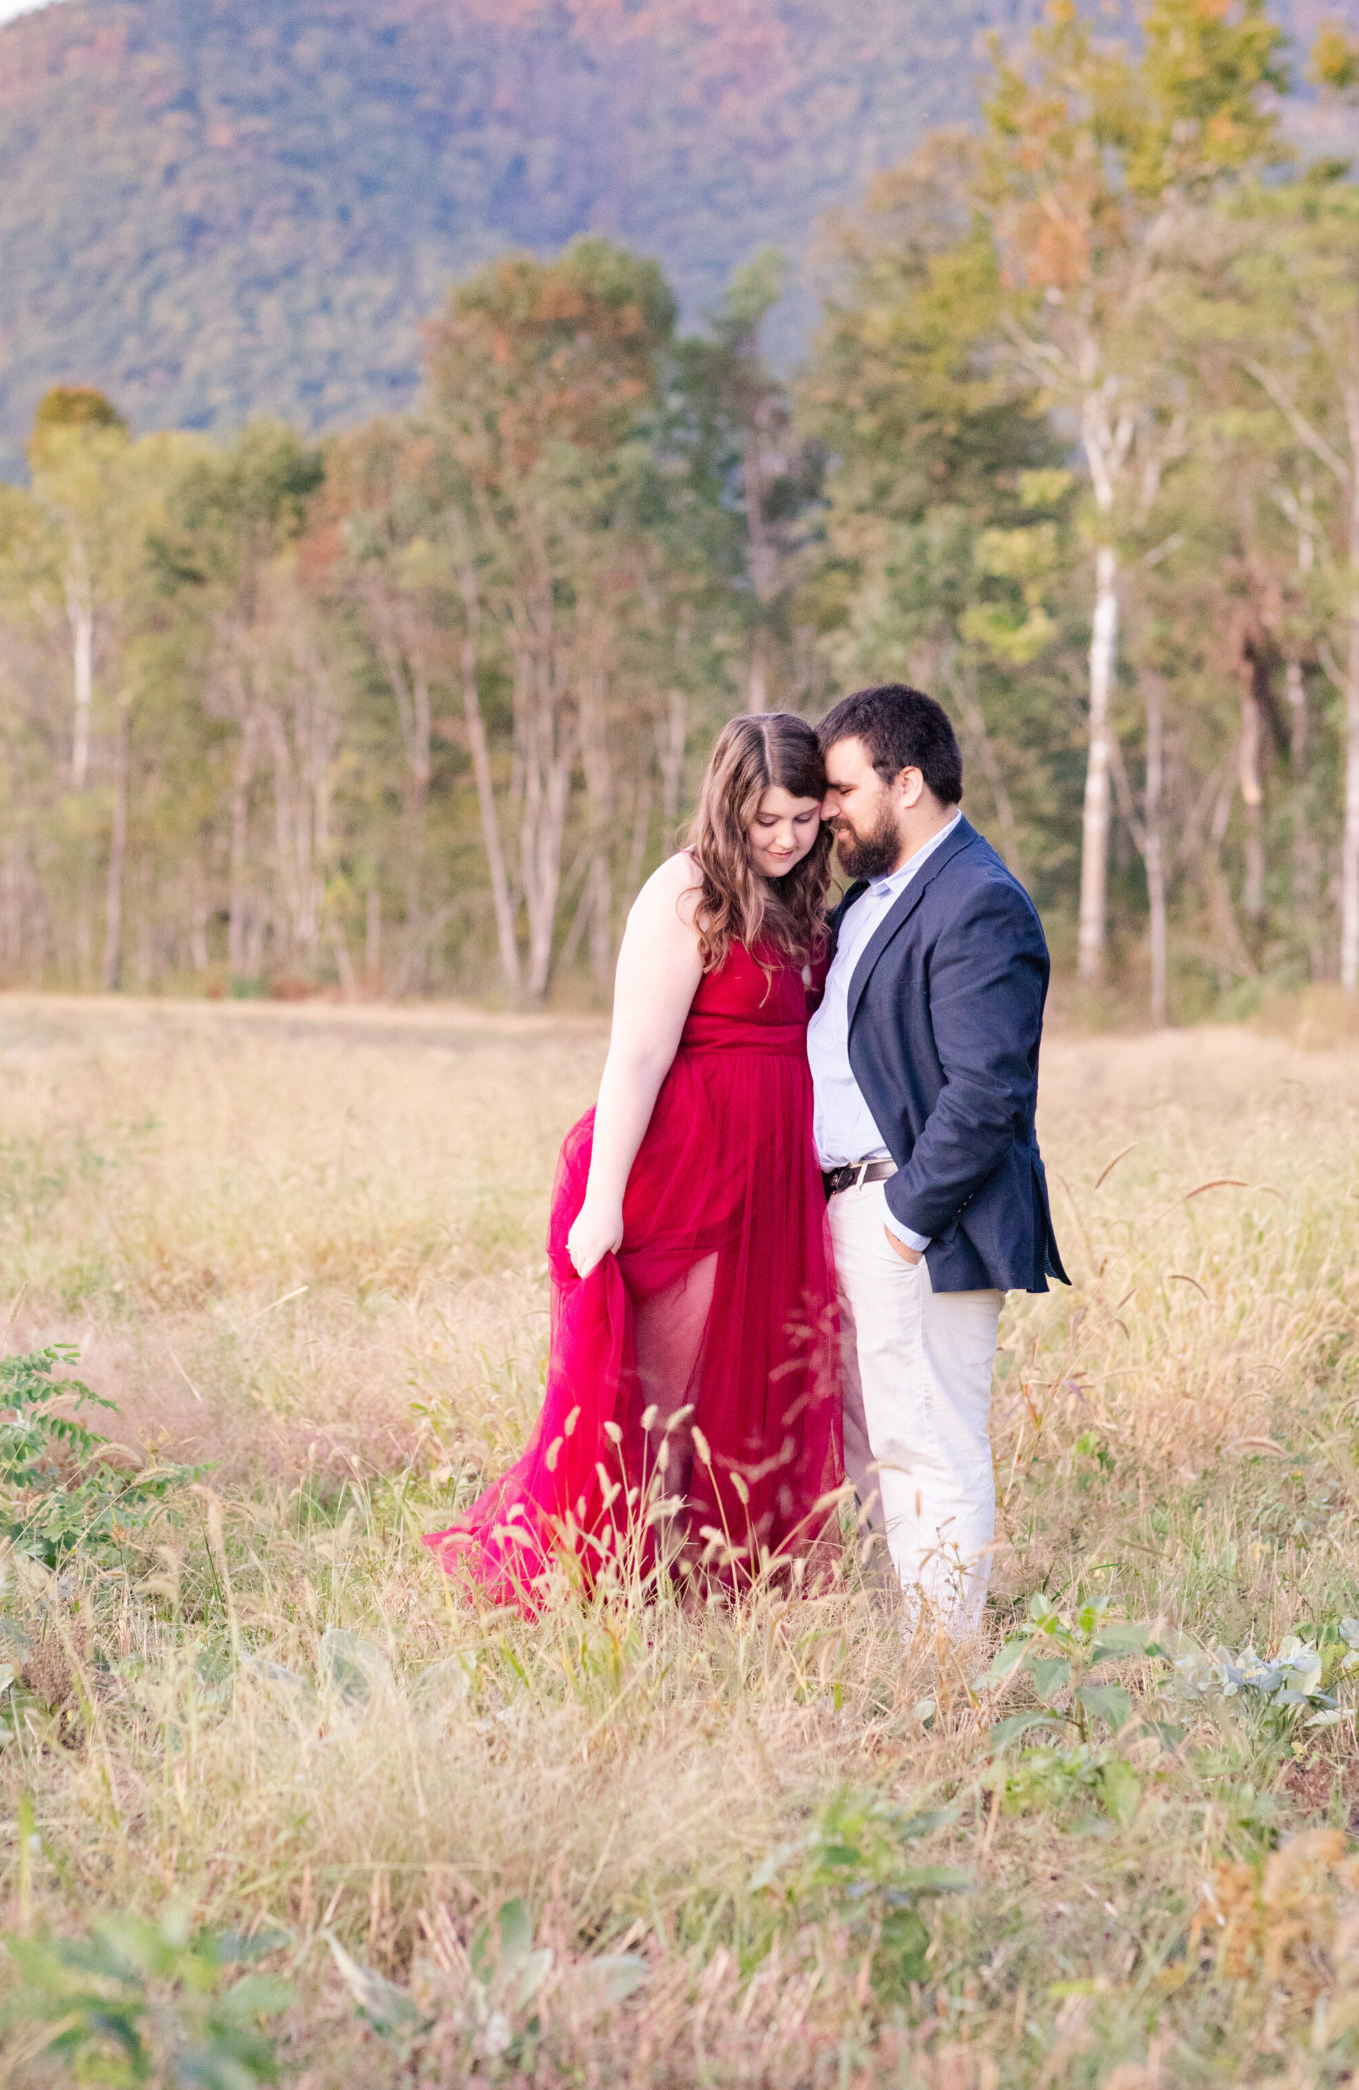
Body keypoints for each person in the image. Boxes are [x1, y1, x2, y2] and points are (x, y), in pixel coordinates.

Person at [428, 713, 843, 1609]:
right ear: (728, 805)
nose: (783, 838)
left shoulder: (805, 898)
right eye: (765, 819)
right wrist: (602, 1203)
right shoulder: (686, 891)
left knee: (750, 1384)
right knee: (660, 1397)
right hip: (685, 1164)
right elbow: (637, 1056)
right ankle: (609, 1582)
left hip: (773, 1173)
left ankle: (714, 1583)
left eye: (803, 818)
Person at [809, 683, 1065, 1636]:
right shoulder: (872, 897)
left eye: (841, 788)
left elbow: (986, 1090)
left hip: (919, 1223)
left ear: (904, 781)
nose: (829, 809)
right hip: (856, 1206)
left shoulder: (977, 899)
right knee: (883, 1449)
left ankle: (944, 1668)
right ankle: (913, 1638)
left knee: (932, 1445)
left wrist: (900, 1224)